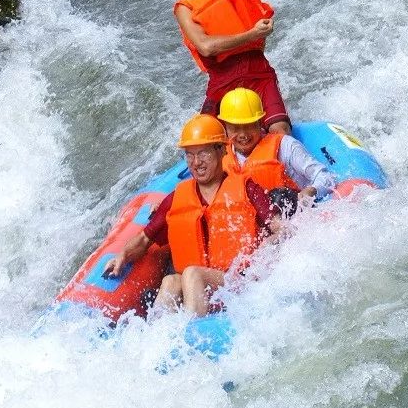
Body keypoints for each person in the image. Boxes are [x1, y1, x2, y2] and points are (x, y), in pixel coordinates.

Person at [103, 115, 281, 316]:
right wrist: (123, 256)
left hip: (239, 282)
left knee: (192, 273)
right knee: (171, 281)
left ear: (221, 150)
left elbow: (280, 229)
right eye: (190, 155)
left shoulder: (247, 189)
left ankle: (192, 333)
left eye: (203, 153)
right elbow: (145, 239)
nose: (197, 163)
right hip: (197, 290)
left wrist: (262, 257)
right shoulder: (177, 198)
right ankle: (161, 338)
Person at [174, 0, 291, 134]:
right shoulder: (185, 8)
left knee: (280, 129)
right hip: (222, 81)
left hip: (258, 72)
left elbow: (260, 38)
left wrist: (262, 30)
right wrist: (251, 34)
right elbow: (206, 47)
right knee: (207, 139)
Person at [219, 88, 338, 202]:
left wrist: (311, 191)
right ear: (225, 128)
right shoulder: (220, 157)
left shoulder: (285, 146)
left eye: (249, 126)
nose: (243, 135)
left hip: (292, 210)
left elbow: (326, 177)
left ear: (260, 123)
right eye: (235, 128)